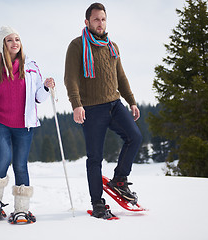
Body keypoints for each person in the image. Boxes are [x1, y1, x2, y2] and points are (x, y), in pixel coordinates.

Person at [64, 3, 142, 219]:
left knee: (135, 136)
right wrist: (76, 104)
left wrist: (132, 101)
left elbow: (121, 77)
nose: (100, 23)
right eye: (96, 19)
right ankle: (97, 202)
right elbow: (70, 78)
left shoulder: (112, 46)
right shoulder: (77, 45)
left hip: (115, 104)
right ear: (87, 22)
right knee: (95, 158)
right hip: (91, 109)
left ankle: (119, 179)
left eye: (103, 19)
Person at [0, 26, 55, 224]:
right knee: (4, 157)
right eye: (10, 40)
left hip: (23, 125)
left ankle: (21, 209)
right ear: (3, 44)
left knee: (20, 164)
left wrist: (46, 87)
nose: (15, 43)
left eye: (17, 39)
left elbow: (38, 97)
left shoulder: (31, 66)